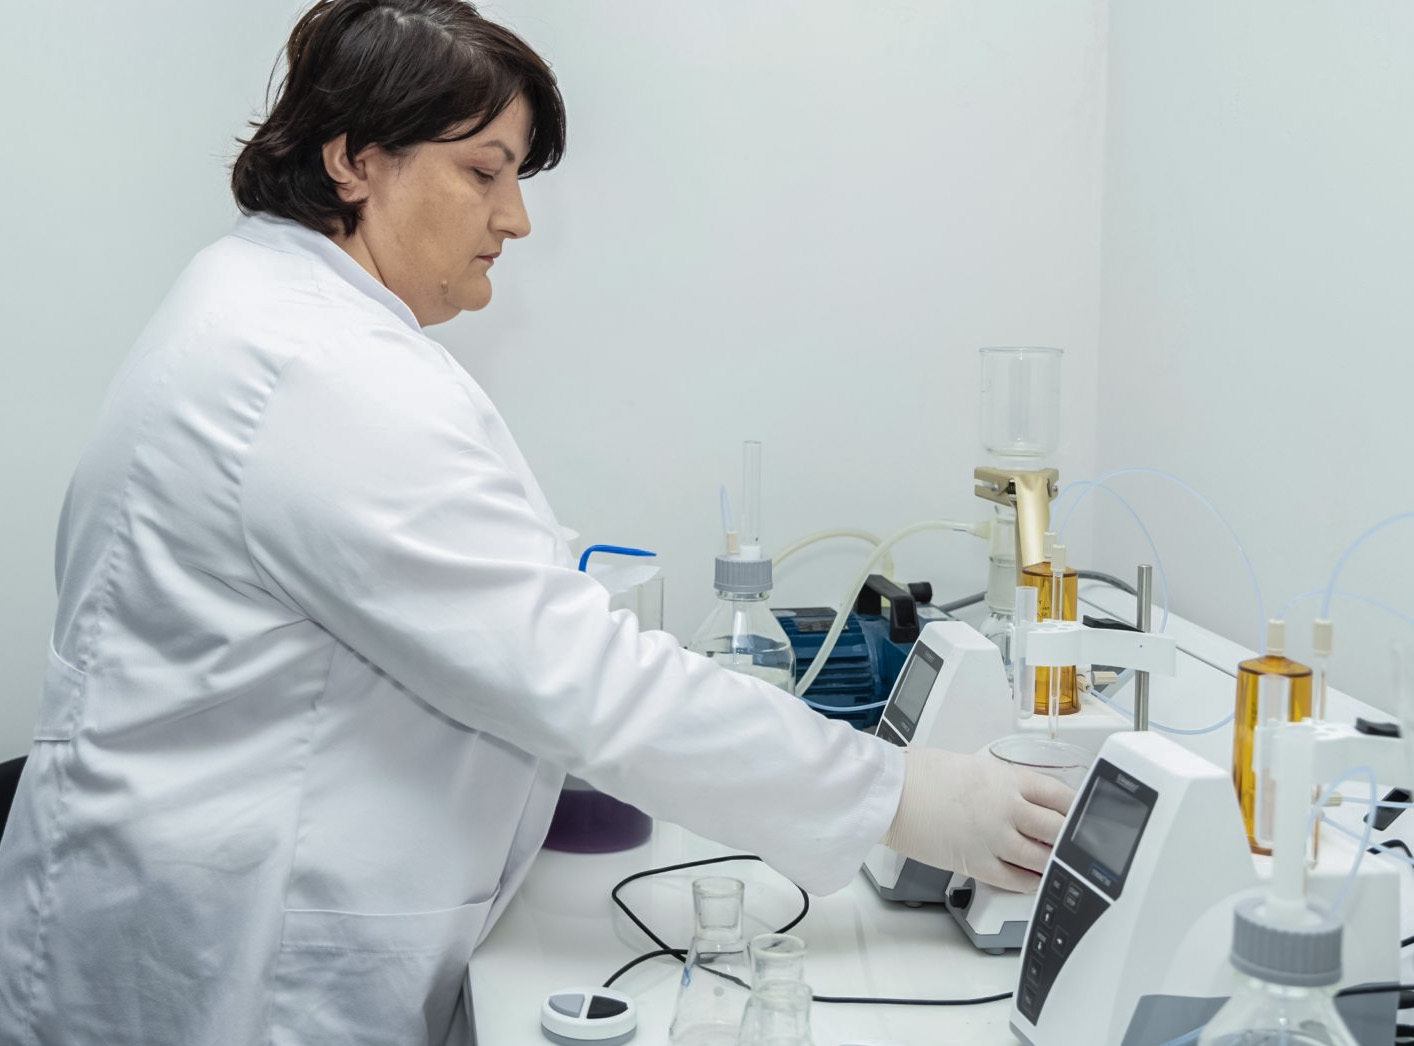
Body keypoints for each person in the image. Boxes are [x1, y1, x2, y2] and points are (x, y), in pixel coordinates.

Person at [0, 2, 1073, 1043]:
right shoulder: (317, 371)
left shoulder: (262, 309)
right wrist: (907, 797)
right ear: (353, 160)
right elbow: (575, 671)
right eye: (484, 172)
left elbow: (483, 613)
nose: (514, 218)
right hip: (237, 953)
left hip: (191, 890)